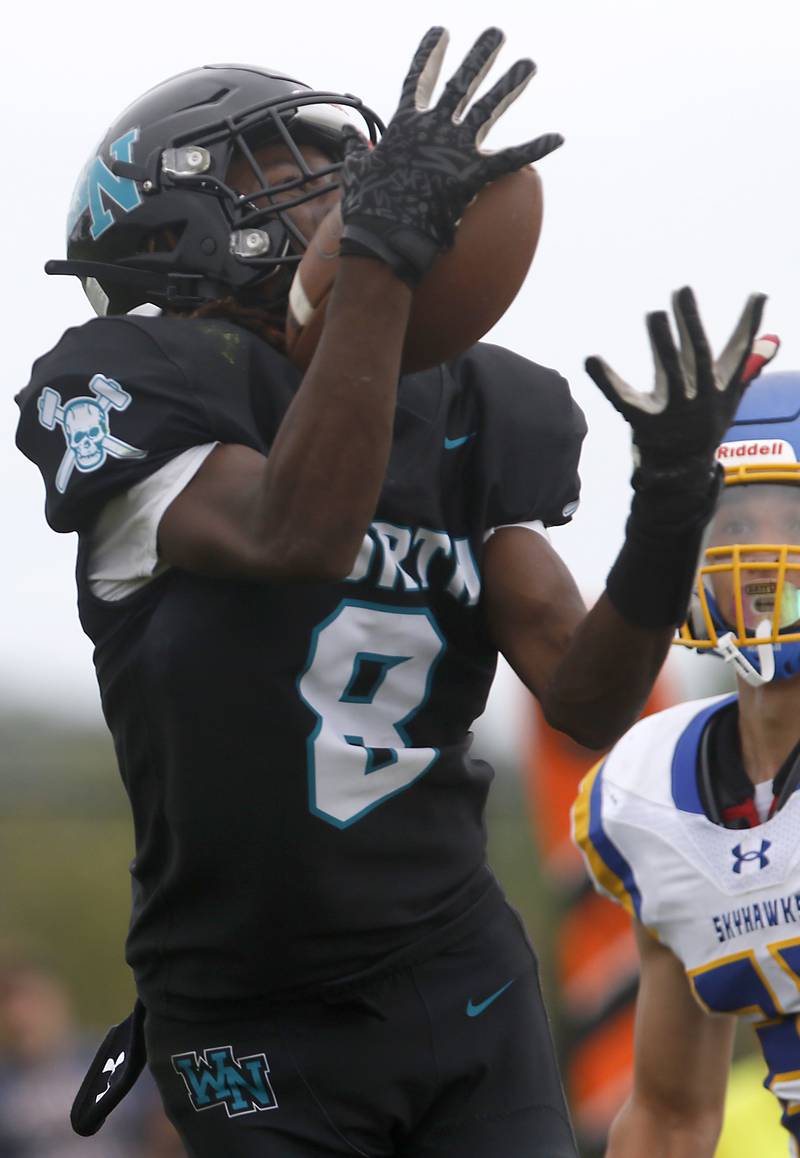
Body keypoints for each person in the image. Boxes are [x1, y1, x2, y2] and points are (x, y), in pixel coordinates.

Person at [15, 24, 766, 1158]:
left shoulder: (465, 410)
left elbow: (585, 698)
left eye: (347, 182)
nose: (336, 201)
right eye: (281, 173)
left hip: (454, 970)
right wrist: (378, 261)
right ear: (173, 223)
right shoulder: (136, 381)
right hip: (246, 1006)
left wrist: (663, 513)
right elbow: (300, 527)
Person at [572, 362, 800, 1157]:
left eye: (792, 526)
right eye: (735, 528)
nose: (765, 562)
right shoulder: (656, 796)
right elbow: (670, 1119)